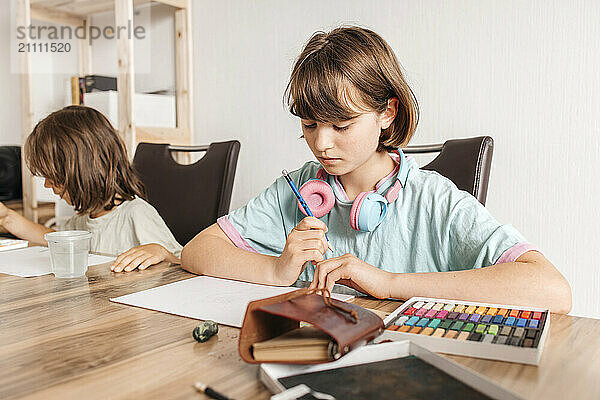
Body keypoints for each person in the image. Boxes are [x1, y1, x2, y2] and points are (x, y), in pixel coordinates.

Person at [181, 26, 571, 313]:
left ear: (387, 111)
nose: (322, 144)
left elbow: (553, 290)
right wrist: (278, 269)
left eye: (342, 124)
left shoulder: (433, 199)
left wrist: (389, 283)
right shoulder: (299, 187)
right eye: (310, 124)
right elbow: (197, 251)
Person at [0, 105, 182, 273]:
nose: (47, 185)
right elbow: (54, 239)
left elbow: (182, 265)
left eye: (54, 178)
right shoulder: (83, 219)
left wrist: (161, 252)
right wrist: (7, 217)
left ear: (85, 171)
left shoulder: (136, 214)